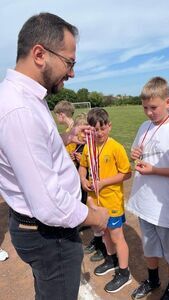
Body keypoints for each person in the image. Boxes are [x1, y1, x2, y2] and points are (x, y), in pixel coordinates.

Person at [0, 12, 109, 300]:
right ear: (39, 54)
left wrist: (64, 138)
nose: (72, 73)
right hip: (50, 234)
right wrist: (95, 216)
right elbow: (49, 205)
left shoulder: (22, 98)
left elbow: (30, 151)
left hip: (39, 229)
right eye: (69, 62)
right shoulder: (20, 109)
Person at [127, 77, 169, 300]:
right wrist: (134, 154)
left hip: (167, 206)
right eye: (145, 107)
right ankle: (153, 279)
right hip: (145, 202)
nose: (148, 112)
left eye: (153, 107)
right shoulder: (144, 127)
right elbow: (138, 152)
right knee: (149, 246)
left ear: (168, 102)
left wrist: (154, 170)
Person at [79, 108, 132, 293]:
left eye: (102, 128)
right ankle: (111, 260)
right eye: (95, 130)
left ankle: (124, 273)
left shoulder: (115, 147)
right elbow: (83, 166)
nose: (99, 133)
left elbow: (127, 173)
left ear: (109, 126)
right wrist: (83, 179)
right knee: (105, 234)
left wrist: (103, 183)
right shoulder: (88, 146)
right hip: (96, 201)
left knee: (117, 236)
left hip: (112, 202)